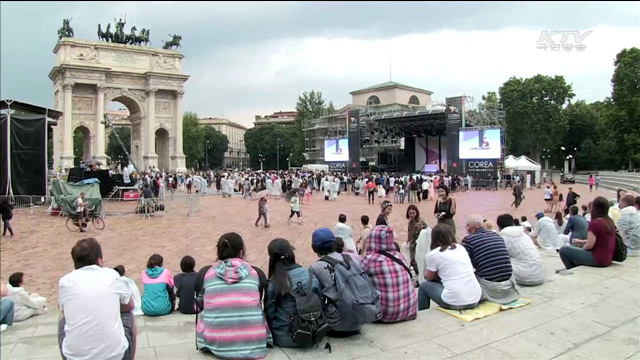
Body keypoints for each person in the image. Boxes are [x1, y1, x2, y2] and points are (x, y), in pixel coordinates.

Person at [58, 238, 136, 360]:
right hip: (115, 355)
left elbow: (64, 311)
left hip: (74, 357)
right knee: (128, 314)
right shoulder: (111, 275)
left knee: (62, 318)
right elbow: (130, 305)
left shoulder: (65, 281)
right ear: (99, 260)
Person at [196, 233, 270, 359]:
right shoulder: (255, 273)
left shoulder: (207, 274)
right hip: (255, 342)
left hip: (216, 342)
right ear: (241, 252)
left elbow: (200, 304)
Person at [265, 238, 322, 348]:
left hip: (285, 337)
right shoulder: (309, 274)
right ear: (291, 254)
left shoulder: (274, 282)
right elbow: (319, 298)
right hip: (314, 332)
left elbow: (269, 313)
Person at [309, 228, 363, 336]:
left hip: (335, 325)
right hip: (359, 320)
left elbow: (313, 297)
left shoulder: (315, 267)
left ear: (314, 248)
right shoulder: (349, 259)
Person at [361, 225, 417, 323]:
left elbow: (357, 278)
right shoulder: (400, 256)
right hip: (409, 310)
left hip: (385, 314)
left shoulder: (370, 260)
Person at [419, 224, 482, 310]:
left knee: (423, 286)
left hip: (454, 301)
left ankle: (423, 314)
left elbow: (428, 277)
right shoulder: (461, 248)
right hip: (475, 297)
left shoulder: (434, 254)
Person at [462, 215, 519, 304]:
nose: (465, 227)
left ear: (469, 227)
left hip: (490, 288)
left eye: (466, 225)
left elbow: (464, 265)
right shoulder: (497, 236)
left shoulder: (469, 240)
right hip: (509, 286)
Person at [559, 196, 617, 270]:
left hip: (598, 259)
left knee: (564, 250)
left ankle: (573, 269)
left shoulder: (595, 224)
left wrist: (581, 248)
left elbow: (589, 246)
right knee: (575, 247)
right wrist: (581, 242)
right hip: (607, 258)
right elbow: (600, 240)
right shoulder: (609, 221)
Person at [497, 215, 545, 286]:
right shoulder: (523, 233)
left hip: (525, 277)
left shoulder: (503, 236)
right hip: (539, 274)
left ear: (499, 226)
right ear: (512, 223)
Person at [406, 205, 427, 275]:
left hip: (419, 245)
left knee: (417, 261)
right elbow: (409, 232)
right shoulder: (410, 221)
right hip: (412, 244)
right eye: (410, 213)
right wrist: (408, 239)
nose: (411, 215)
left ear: (416, 213)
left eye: (413, 213)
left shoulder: (420, 223)